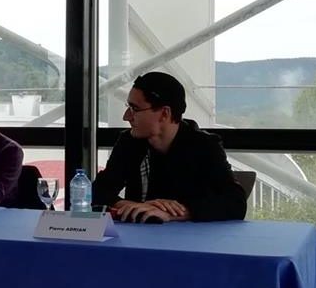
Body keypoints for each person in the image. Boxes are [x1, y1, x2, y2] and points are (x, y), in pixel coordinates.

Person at [93, 71, 246, 223]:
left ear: (164, 113)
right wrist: (132, 206)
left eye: (135, 109)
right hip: (138, 236)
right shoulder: (129, 142)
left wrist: (178, 212)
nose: (126, 116)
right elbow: (97, 191)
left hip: (192, 240)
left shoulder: (204, 146)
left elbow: (236, 203)